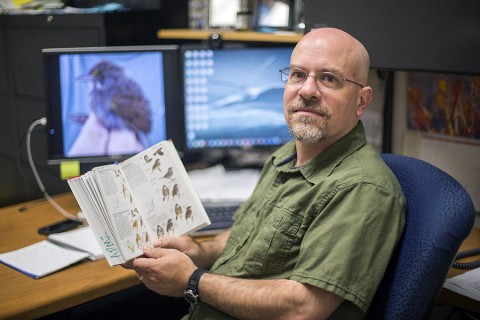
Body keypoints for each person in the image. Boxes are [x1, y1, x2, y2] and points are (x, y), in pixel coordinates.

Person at [123, 27, 406, 319]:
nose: (307, 90)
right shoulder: (286, 155)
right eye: (298, 74)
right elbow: (250, 232)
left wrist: (191, 280)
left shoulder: (361, 188)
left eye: (329, 78)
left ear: (361, 101)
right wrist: (200, 252)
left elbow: (304, 307)